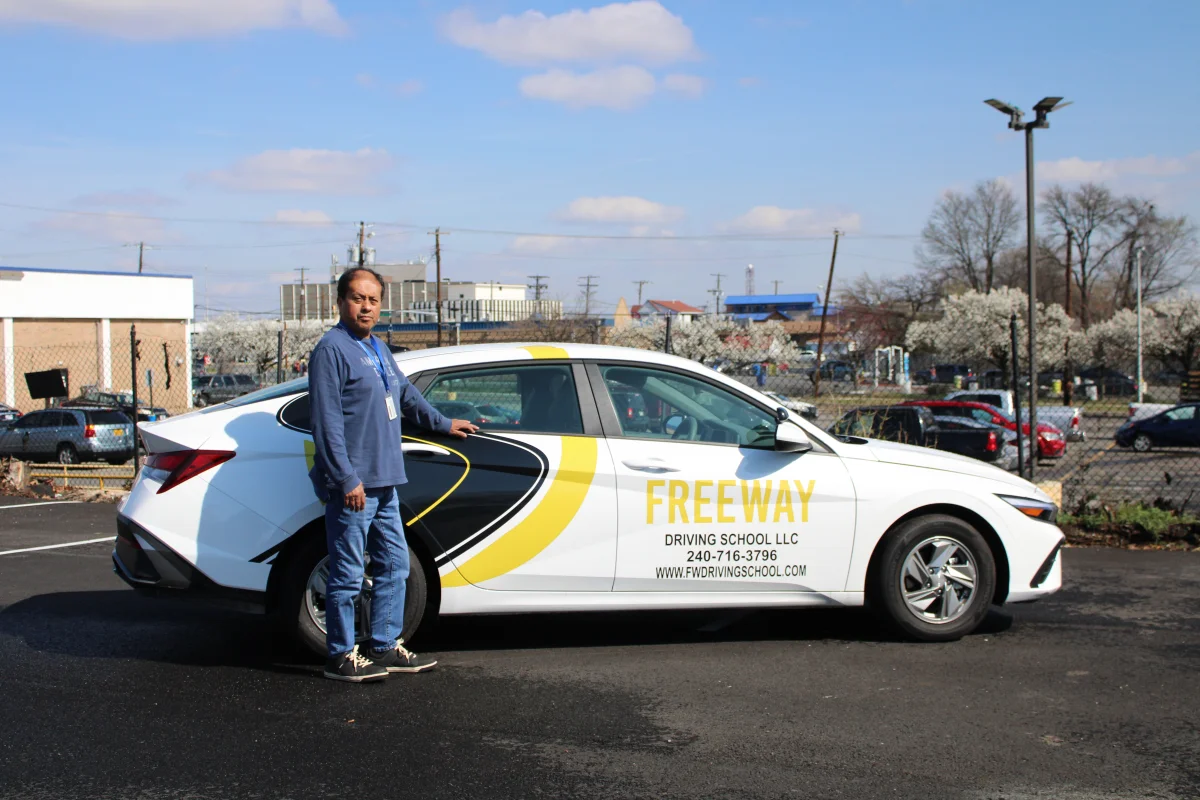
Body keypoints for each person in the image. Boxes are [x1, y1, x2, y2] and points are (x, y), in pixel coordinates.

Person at [308, 267, 478, 683]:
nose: (366, 306)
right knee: (348, 572)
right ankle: (341, 655)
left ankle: (384, 645)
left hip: (387, 481)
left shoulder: (378, 348)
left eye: (373, 300)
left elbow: (406, 396)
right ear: (340, 302)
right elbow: (326, 422)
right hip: (356, 485)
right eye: (357, 298)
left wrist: (442, 423)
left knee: (394, 565)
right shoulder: (331, 350)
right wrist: (346, 478)